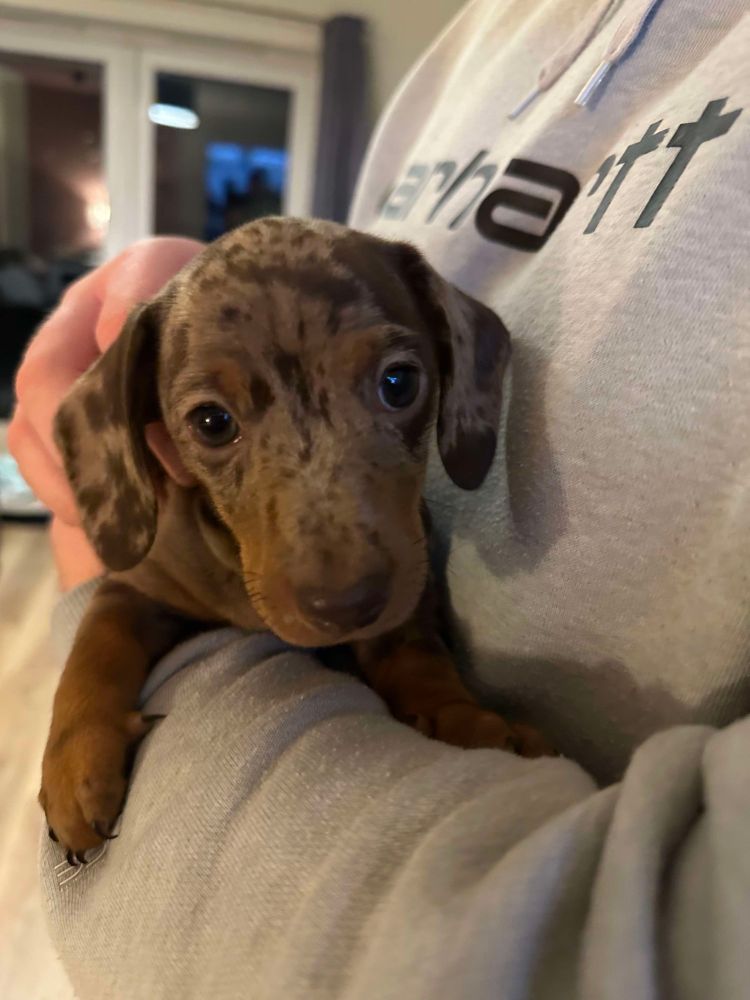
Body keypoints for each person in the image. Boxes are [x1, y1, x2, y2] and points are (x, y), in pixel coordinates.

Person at [9, 0, 749, 996]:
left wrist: (425, 686)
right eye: (215, 424)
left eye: (395, 384)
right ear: (154, 440)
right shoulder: (464, 55)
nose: (339, 557)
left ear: (455, 372)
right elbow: (124, 590)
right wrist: (89, 680)